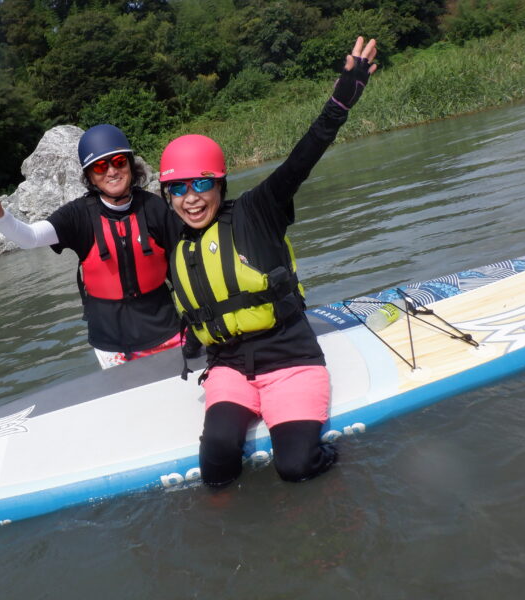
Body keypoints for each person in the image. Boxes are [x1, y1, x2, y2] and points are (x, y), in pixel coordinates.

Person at [159, 37, 378, 486]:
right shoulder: (176, 240)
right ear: (168, 197)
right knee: (216, 467)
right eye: (178, 189)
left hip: (290, 359)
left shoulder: (259, 210)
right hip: (229, 367)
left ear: (219, 184)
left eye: (200, 184)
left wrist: (346, 93)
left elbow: (304, 155)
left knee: (294, 468)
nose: (191, 198)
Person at [0, 125, 184, 369]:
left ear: (131, 165)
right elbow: (30, 238)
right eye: (100, 167)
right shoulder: (78, 215)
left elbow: (188, 261)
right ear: (89, 176)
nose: (112, 171)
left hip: (167, 331)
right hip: (111, 343)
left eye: (119, 161)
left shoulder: (155, 208)